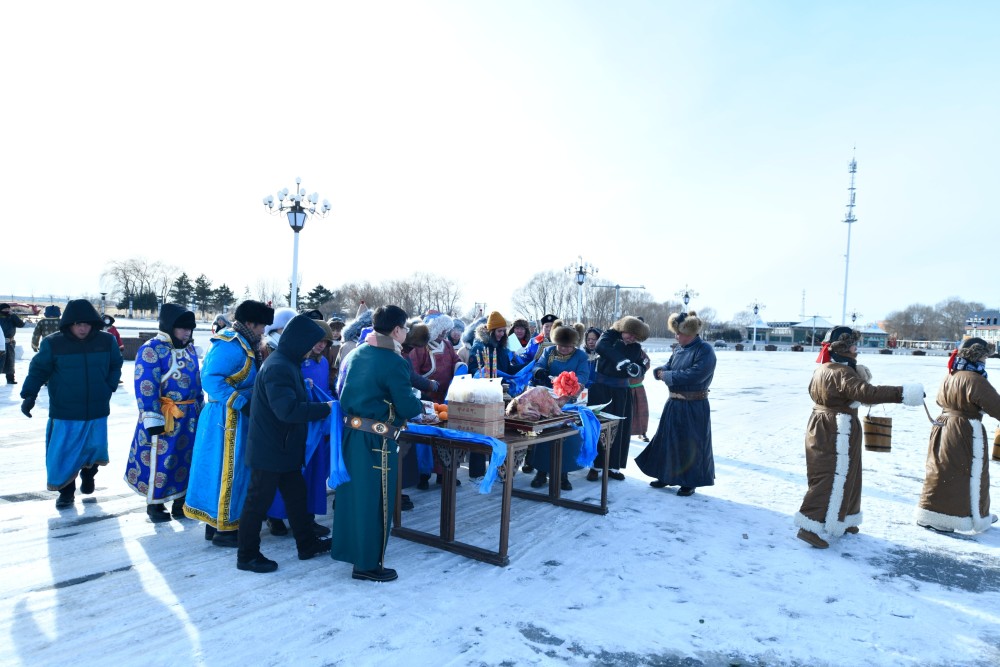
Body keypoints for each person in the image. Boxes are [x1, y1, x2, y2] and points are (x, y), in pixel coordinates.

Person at [793, 326, 923, 549]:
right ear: (842, 348)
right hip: (836, 428)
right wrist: (902, 393)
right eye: (853, 345)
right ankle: (809, 526)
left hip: (829, 425)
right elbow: (866, 393)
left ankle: (845, 518)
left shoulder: (824, 368)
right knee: (827, 476)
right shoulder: (841, 372)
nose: (857, 350)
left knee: (849, 473)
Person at [236, 315, 334, 573]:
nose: (313, 349)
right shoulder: (279, 366)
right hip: (271, 449)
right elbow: (287, 410)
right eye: (310, 343)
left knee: (296, 497)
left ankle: (307, 543)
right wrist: (324, 409)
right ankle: (247, 555)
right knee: (257, 504)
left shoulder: (287, 363)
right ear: (299, 341)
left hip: (282, 447)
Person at [332, 305, 423, 582]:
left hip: (352, 434)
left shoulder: (357, 352)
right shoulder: (393, 360)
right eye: (405, 327)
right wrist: (419, 402)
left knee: (353, 498)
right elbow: (407, 406)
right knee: (377, 502)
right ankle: (368, 564)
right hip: (377, 442)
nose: (406, 332)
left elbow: (340, 389)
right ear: (396, 330)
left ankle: (353, 553)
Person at [184, 300, 274, 547]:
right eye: (261, 325)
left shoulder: (244, 343)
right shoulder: (230, 344)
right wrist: (240, 403)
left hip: (235, 417)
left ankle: (217, 524)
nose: (263, 331)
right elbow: (210, 379)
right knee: (226, 471)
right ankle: (223, 529)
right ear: (249, 323)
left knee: (228, 470)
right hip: (225, 418)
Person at [19, 299, 123, 508]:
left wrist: (108, 386)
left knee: (94, 449)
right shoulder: (53, 343)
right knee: (64, 453)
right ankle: (66, 492)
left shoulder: (106, 341)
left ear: (94, 323)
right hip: (65, 410)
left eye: (87, 323)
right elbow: (39, 370)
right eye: (78, 324)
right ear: (69, 324)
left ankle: (89, 474)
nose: (83, 328)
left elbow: (115, 364)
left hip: (97, 408)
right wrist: (29, 395)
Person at [124, 303, 203, 522]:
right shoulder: (152, 349)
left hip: (189, 418)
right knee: (159, 459)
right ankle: (155, 504)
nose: (186, 333)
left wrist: (201, 409)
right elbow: (145, 385)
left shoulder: (189, 349)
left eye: (190, 328)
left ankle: (181, 502)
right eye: (182, 328)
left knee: (186, 458)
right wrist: (152, 417)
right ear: (169, 327)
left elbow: (197, 382)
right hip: (164, 416)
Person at [915, 337, 1000, 535]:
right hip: (964, 430)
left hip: (943, 426)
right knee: (967, 473)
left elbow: (938, 399)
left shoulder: (950, 375)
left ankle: (933, 513)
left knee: (942, 470)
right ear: (977, 356)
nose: (986, 360)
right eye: (985, 356)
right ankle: (971, 515)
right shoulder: (975, 379)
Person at [266, 320, 337, 537]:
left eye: (325, 341)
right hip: (297, 423)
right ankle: (275, 516)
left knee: (314, 473)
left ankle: (308, 516)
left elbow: (325, 390)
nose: (321, 345)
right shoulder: (294, 362)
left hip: (317, 422)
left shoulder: (323, 363)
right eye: (317, 340)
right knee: (290, 474)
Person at [635, 311, 716, 496]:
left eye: (679, 333)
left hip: (694, 404)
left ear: (690, 333)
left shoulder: (704, 350)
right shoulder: (679, 349)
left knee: (691, 444)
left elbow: (696, 374)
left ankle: (690, 481)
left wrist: (667, 375)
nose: (676, 336)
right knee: (668, 441)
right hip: (674, 402)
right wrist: (660, 371)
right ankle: (666, 475)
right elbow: (670, 366)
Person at [586, 316, 649, 481]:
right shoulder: (610, 335)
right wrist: (622, 361)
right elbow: (601, 346)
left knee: (619, 428)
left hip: (621, 391)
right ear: (623, 328)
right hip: (601, 389)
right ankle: (595, 466)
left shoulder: (636, 348)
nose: (631, 338)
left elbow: (643, 364)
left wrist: (637, 369)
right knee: (598, 426)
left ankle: (614, 466)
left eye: (635, 336)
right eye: (629, 333)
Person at [529, 322, 590, 490]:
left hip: (569, 401)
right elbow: (538, 365)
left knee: (567, 439)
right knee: (544, 437)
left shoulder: (581, 356)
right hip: (548, 400)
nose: (563, 349)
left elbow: (584, 376)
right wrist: (539, 372)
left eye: (568, 346)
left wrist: (571, 386)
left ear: (574, 345)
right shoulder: (549, 351)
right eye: (561, 345)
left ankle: (563, 474)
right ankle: (541, 472)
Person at [467, 310, 527, 479]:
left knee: (501, 431)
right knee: (482, 431)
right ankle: (477, 471)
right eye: (499, 331)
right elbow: (473, 369)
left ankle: (501, 469)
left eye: (503, 331)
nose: (502, 334)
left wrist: (525, 368)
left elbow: (507, 369)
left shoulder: (502, 348)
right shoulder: (480, 346)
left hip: (500, 392)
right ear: (491, 331)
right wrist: (485, 374)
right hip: (483, 394)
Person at [1, 303, 26, 384]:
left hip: (10, 342)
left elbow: (21, 325)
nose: (7, 311)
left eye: (8, 309)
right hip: (0, 343)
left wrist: (14, 315)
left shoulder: (12, 318)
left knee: (10, 361)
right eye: (5, 309)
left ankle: (10, 378)